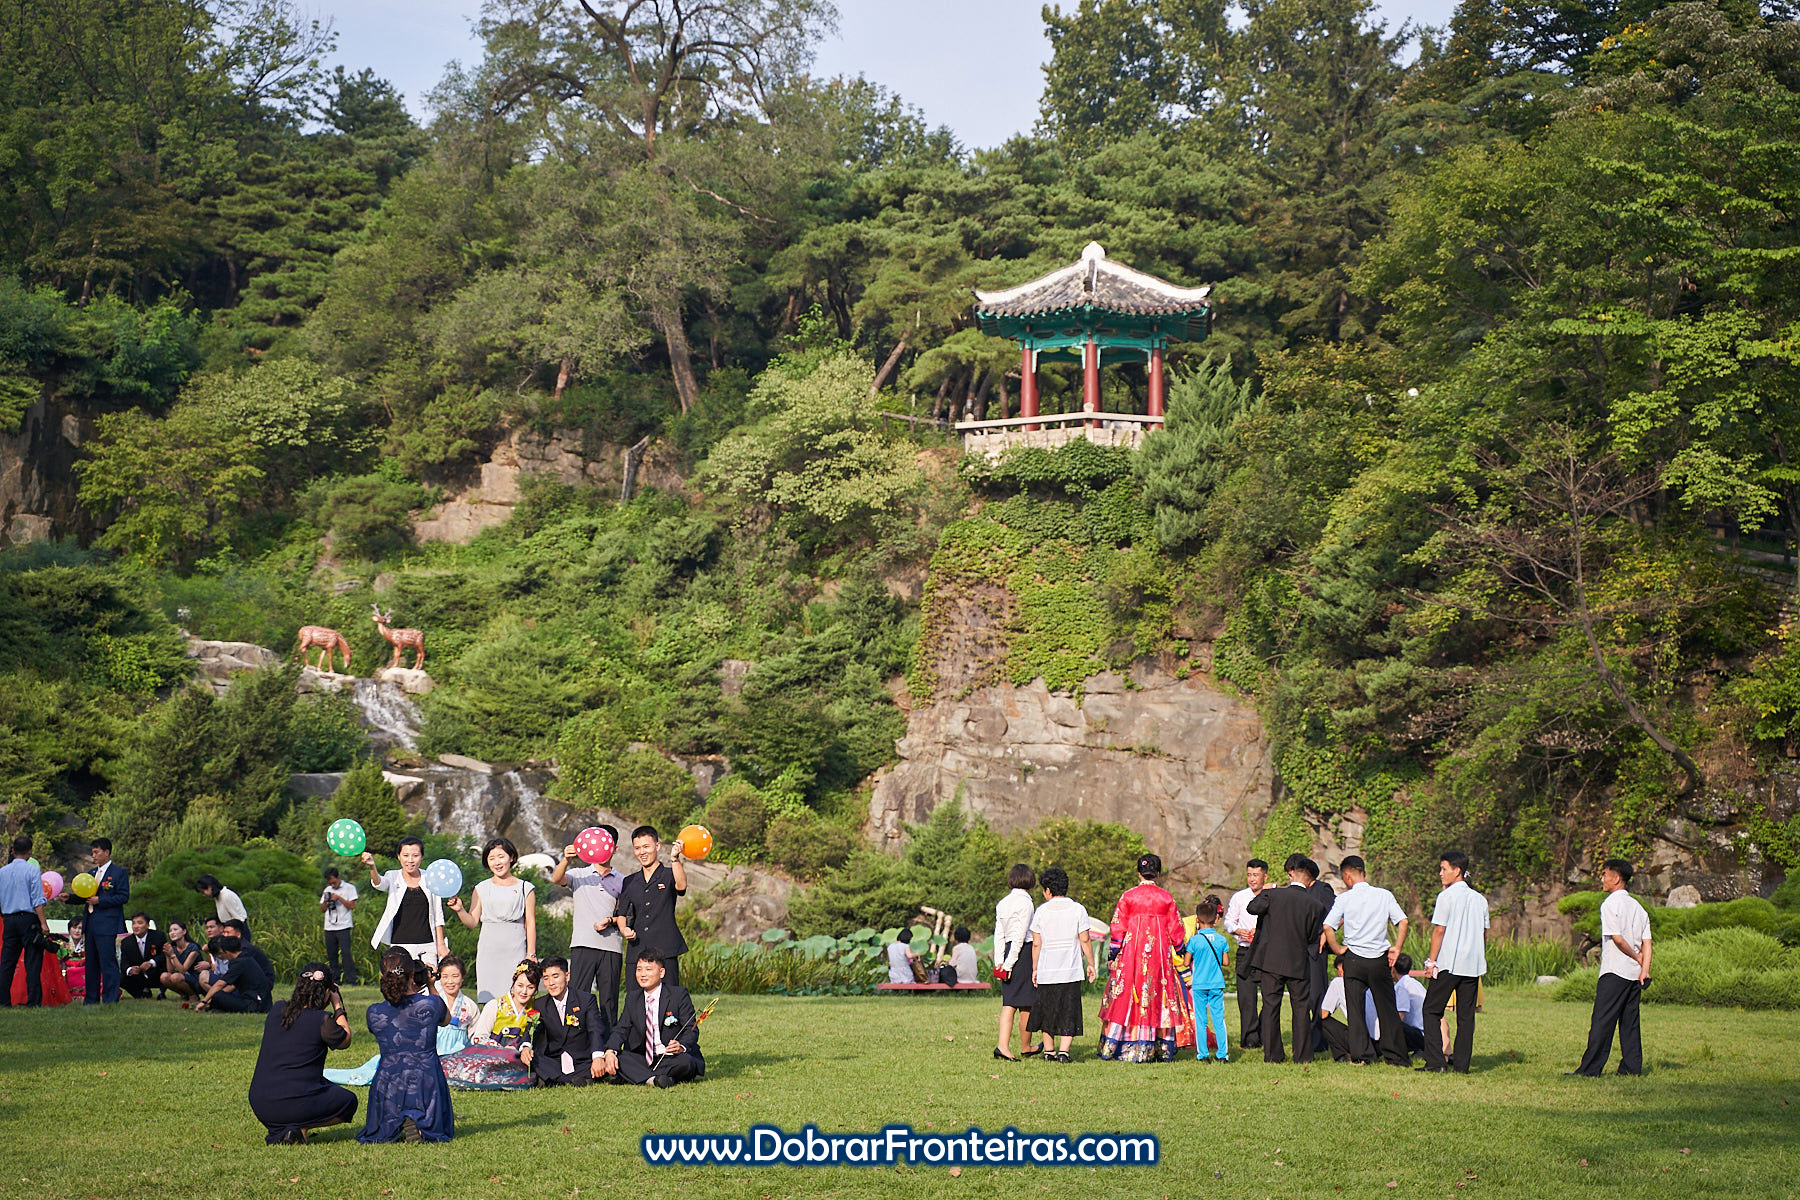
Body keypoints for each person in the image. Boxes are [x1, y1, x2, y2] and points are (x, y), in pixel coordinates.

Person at [1098, 853, 1196, 1062]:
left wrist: (1113, 953)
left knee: (1128, 995)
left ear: (1138, 873)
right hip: (1158, 956)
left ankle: (1118, 1045)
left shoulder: (1128, 896)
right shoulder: (1166, 898)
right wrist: (1181, 950)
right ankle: (1158, 1047)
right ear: (1158, 874)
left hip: (1131, 955)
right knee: (1157, 994)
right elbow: (1176, 929)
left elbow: (1118, 927)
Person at [249, 964, 358, 1144]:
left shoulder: (277, 1009)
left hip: (261, 1102)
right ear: (327, 992)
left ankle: (282, 1131)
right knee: (348, 1101)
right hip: (295, 1102)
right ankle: (300, 1128)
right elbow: (345, 1040)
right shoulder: (322, 1020)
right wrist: (338, 1005)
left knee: (322, 1083)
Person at [1321, 855, 1410, 1067]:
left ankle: (1363, 1055)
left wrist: (1337, 949)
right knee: (1387, 1008)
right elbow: (1403, 921)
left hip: (1354, 959)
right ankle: (1396, 1056)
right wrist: (1397, 947)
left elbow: (1328, 927)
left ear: (1347, 876)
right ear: (1364, 872)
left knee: (1355, 1009)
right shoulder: (1384, 895)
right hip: (1379, 958)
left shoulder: (1344, 898)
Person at [360, 949, 455, 1143]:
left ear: (382, 976)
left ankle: (396, 1119)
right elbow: (446, 1020)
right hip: (426, 1082)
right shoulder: (431, 1004)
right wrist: (431, 985)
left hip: (388, 1084)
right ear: (412, 975)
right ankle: (419, 1120)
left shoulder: (374, 1012)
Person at [1568, 858, 1652, 1078]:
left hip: (1615, 971)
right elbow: (1647, 942)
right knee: (1630, 1022)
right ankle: (1631, 1068)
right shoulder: (1638, 907)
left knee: (1602, 1021)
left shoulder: (1610, 905)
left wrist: (1636, 957)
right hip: (1634, 974)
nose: (1602, 879)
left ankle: (1589, 1069)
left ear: (1616, 878)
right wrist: (1644, 969)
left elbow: (1618, 939)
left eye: (1605, 874)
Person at [1246, 857, 1325, 1063]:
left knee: (1271, 1007)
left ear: (1292, 874)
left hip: (1270, 961)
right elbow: (1312, 937)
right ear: (1311, 881)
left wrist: (1265, 892)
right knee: (1301, 1008)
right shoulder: (1316, 906)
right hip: (1298, 962)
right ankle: (1303, 1055)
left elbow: (1252, 908)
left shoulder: (1273, 894)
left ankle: (1273, 1055)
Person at [1421, 849, 1489, 1074]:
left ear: (1457, 871)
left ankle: (1435, 1062)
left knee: (1431, 1010)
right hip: (1472, 965)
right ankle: (1462, 1066)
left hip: (1449, 963)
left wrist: (1431, 962)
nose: (1440, 873)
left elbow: (1439, 930)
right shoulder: (1480, 899)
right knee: (1466, 1017)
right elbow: (1483, 934)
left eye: (1444, 869)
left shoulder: (1446, 896)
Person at [446, 837, 536, 1004]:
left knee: (517, 997)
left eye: (501, 857)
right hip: (489, 951)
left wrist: (531, 954)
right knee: (490, 1002)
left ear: (511, 857)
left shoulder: (525, 888)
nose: (497, 862)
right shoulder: (481, 888)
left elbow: (530, 923)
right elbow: (472, 922)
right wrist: (460, 910)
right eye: (492, 858)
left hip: (515, 949)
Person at [551, 827, 625, 1026]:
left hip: (611, 947)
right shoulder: (579, 874)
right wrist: (566, 860)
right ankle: (577, 1039)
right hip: (583, 944)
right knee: (578, 996)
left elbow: (624, 915)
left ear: (615, 848)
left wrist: (610, 921)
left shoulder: (622, 880)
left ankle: (609, 1042)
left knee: (609, 1001)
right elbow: (556, 879)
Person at [602, 949, 705, 1087]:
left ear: (661, 972)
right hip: (644, 1057)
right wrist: (610, 1051)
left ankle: (638, 1076)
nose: (642, 974)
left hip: (671, 1057)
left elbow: (691, 1029)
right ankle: (655, 1079)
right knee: (619, 1058)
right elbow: (621, 1029)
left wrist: (681, 1046)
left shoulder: (678, 995)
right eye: (639, 969)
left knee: (686, 1062)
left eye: (648, 969)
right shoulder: (632, 998)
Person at [1026, 867, 1097, 1063]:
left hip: (1047, 971)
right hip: (1071, 971)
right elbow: (1085, 939)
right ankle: (1064, 1052)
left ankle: (1049, 1051)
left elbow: (1037, 944)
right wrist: (1091, 963)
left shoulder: (1041, 911)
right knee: (1068, 1011)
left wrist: (1035, 969)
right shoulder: (1078, 909)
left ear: (1048, 890)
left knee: (1047, 1011)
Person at [441, 961, 541, 1091]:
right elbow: (479, 1037)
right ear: (513, 982)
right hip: (494, 1053)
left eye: (530, 987)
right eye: (520, 985)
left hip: (520, 1054)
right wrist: (502, 1049)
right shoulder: (495, 1005)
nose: (524, 991)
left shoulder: (536, 1008)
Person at [616, 826, 688, 993]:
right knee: (634, 998)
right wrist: (624, 929)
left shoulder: (669, 874)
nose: (642, 852)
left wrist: (675, 858)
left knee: (669, 997)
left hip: (666, 947)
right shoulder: (629, 881)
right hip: (637, 948)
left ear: (657, 846)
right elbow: (621, 914)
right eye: (637, 848)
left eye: (646, 846)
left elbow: (681, 886)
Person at [1320, 953, 1427, 1062]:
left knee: (1323, 1022)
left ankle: (1342, 1055)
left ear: (1343, 969)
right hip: (1384, 1041)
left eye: (1338, 970)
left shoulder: (1338, 982)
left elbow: (1324, 1014)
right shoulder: (1371, 982)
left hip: (1362, 1043)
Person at [362, 838, 447, 967]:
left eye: (415, 855)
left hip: (427, 944)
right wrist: (372, 866)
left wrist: (440, 944)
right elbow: (379, 883)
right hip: (400, 944)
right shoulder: (393, 876)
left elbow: (438, 914)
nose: (410, 860)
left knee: (430, 977)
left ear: (422, 857)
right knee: (400, 979)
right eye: (406, 855)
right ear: (399, 856)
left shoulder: (430, 878)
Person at [528, 956, 611, 1086]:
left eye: (555, 976)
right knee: (534, 1059)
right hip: (553, 1060)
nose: (551, 983)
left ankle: (555, 1079)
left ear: (567, 976)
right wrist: (525, 1046)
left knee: (608, 1061)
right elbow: (530, 1031)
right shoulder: (540, 1004)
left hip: (581, 1060)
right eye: (546, 978)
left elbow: (595, 1029)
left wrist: (598, 1057)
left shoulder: (586, 1000)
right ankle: (574, 1079)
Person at [993, 863, 1038, 1061]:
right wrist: (1010, 963)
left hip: (1006, 951)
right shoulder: (1026, 903)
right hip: (1022, 952)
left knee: (1010, 1001)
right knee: (1024, 1003)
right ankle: (1017, 1046)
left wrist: (1000, 962)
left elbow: (999, 934)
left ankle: (1011, 1046)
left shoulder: (1003, 903)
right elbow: (1020, 935)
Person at [0, 833, 51, 1008]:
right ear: (29, 852)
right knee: (32, 962)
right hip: (28, 919)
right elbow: (37, 900)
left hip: (9, 918)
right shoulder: (32, 870)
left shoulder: (2, 872)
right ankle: (33, 1001)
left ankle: (4, 1001)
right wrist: (43, 923)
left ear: (13, 851)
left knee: (7, 962)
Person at [1224, 859, 1268, 1050]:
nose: (1252, 879)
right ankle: (1250, 1038)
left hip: (1267, 952)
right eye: (1249, 875)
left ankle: (1265, 1033)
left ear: (1265, 876)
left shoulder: (1272, 896)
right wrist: (1237, 930)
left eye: (1256, 875)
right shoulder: (1239, 897)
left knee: (1270, 995)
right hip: (1245, 951)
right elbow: (1228, 922)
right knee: (1246, 997)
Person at [1295, 856, 1336, 1052]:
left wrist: (1326, 934)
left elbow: (1336, 914)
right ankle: (1305, 1038)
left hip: (1316, 950)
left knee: (1317, 995)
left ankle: (1320, 1040)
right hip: (1298, 949)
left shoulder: (1322, 890)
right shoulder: (1296, 891)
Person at [1185, 896, 1232, 1062]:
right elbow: (1226, 962)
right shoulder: (1221, 939)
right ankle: (1222, 1054)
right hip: (1216, 983)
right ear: (1215, 919)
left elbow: (1186, 962)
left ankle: (1203, 1055)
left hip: (1199, 984)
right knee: (1219, 1019)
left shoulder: (1194, 940)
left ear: (1198, 919)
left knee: (1201, 1021)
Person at [83, 837, 129, 1005]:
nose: (94, 855)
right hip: (90, 923)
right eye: (93, 852)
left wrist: (100, 901)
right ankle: (91, 999)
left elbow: (123, 897)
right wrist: (69, 898)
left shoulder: (119, 873)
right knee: (91, 963)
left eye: (97, 852)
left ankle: (110, 998)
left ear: (107, 852)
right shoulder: (91, 874)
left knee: (107, 962)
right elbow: (85, 896)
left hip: (107, 924)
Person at [196, 935, 272, 1013]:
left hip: (255, 1004)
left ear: (227, 952)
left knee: (217, 995)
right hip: (261, 1002)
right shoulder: (245, 957)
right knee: (218, 994)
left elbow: (220, 984)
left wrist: (204, 1001)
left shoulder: (238, 963)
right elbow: (233, 985)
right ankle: (218, 1008)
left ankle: (214, 1007)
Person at [321, 867, 359, 986]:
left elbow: (352, 906)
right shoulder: (327, 890)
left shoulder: (349, 888)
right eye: (330, 883)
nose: (332, 885)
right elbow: (322, 909)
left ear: (339, 878)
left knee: (346, 954)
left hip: (344, 926)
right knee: (332, 955)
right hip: (329, 927)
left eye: (334, 882)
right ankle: (335, 980)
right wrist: (326, 900)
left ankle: (351, 980)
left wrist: (339, 898)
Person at [119, 912, 168, 1000]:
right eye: (134, 923)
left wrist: (151, 963)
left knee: (166, 967)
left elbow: (164, 955)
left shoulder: (158, 936)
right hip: (139, 974)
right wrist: (130, 969)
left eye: (140, 923)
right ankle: (141, 994)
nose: (136, 926)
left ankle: (161, 993)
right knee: (120, 977)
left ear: (148, 925)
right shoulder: (126, 942)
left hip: (156, 972)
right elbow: (124, 963)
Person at [224, 919, 277, 989]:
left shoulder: (245, 949)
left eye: (228, 932)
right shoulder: (236, 947)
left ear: (238, 934)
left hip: (261, 985)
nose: (225, 935)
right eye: (224, 932)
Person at [159, 920, 204, 1002]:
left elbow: (183, 970)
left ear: (184, 931)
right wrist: (167, 956)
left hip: (196, 977)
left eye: (175, 930)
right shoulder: (173, 948)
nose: (172, 933)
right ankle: (184, 994)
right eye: (170, 931)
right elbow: (170, 970)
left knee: (175, 977)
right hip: (183, 977)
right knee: (164, 977)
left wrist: (172, 955)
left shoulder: (193, 948)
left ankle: (193, 995)